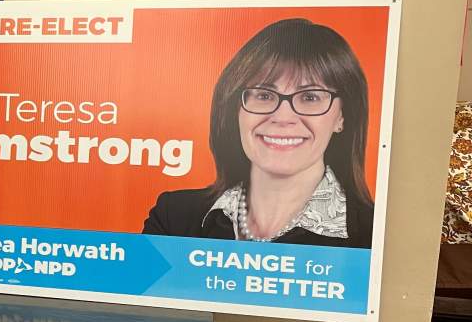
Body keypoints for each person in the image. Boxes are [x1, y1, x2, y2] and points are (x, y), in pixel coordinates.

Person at [143, 17, 374, 247]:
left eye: (309, 97)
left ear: (342, 117)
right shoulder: (173, 218)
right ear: (236, 109)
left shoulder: (373, 234)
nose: (283, 117)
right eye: (264, 95)